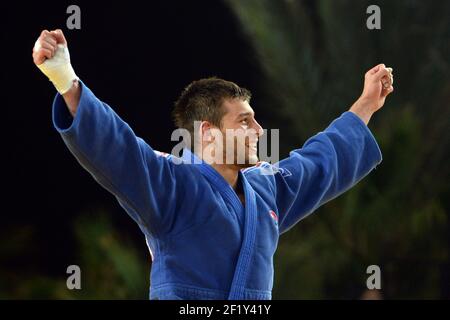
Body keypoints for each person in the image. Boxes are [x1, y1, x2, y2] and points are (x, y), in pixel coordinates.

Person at [33, 29, 394, 300]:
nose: (259, 130)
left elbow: (319, 163)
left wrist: (365, 105)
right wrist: (66, 79)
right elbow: (119, 148)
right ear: (207, 132)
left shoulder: (267, 190)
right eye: (244, 121)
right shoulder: (171, 185)